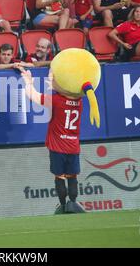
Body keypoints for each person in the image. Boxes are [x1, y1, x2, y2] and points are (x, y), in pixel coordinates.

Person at [19, 48, 103, 215]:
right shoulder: (79, 101)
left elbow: (33, 96)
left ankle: (63, 205)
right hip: (73, 146)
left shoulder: (56, 100)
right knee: (73, 177)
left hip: (57, 147)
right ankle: (73, 203)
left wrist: (28, 82)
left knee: (60, 177)